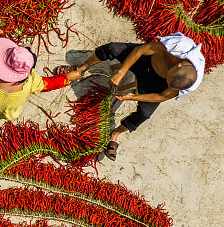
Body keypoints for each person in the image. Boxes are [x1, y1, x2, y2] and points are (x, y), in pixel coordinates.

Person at [68, 34, 204, 160]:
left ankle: (115, 134)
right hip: (145, 61)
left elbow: (161, 96)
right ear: (178, 65)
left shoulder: (188, 84)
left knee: (144, 113)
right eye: (169, 76)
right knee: (112, 48)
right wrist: (121, 72)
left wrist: (130, 97)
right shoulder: (179, 46)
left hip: (155, 84)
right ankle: (80, 68)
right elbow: (141, 50)